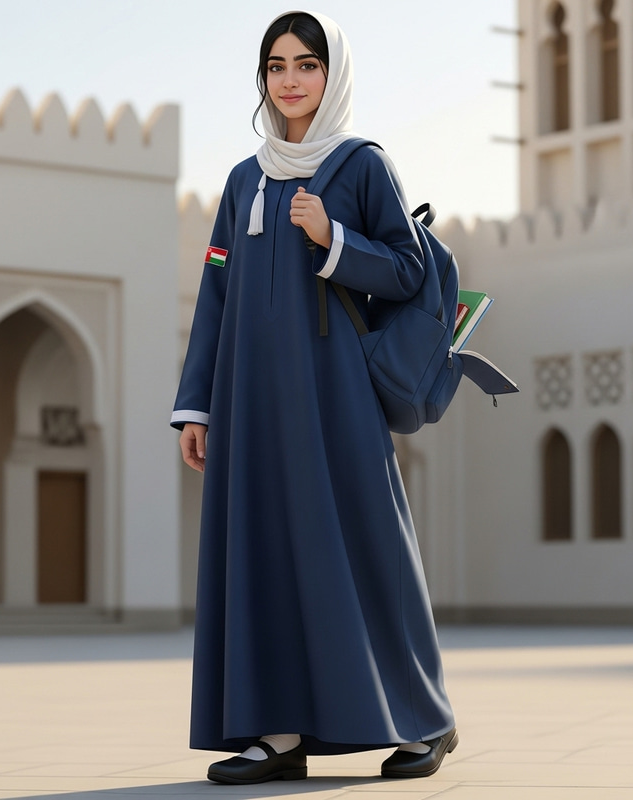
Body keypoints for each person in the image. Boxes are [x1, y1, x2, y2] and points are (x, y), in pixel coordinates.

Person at [171, 10, 457, 785]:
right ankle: (278, 731)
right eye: (275, 66)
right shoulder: (243, 180)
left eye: (306, 65)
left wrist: (334, 240)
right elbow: (217, 295)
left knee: (369, 549)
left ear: (332, 75)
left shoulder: (362, 165)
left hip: (334, 396)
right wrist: (196, 406)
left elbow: (407, 270)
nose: (290, 81)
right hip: (250, 400)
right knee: (261, 550)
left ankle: (426, 717)